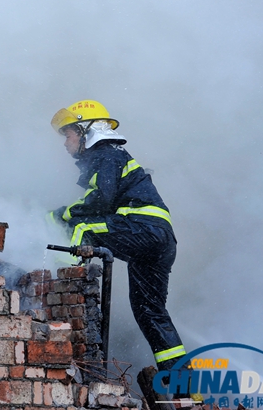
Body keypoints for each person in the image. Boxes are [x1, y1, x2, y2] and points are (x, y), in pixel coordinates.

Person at [47, 99, 187, 372]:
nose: (66, 143)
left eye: (69, 134)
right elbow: (104, 203)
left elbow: (99, 200)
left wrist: (60, 214)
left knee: (82, 228)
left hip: (141, 228)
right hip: (159, 240)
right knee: (149, 312)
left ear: (86, 131)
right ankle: (183, 383)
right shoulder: (112, 156)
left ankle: (63, 286)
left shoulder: (107, 154)